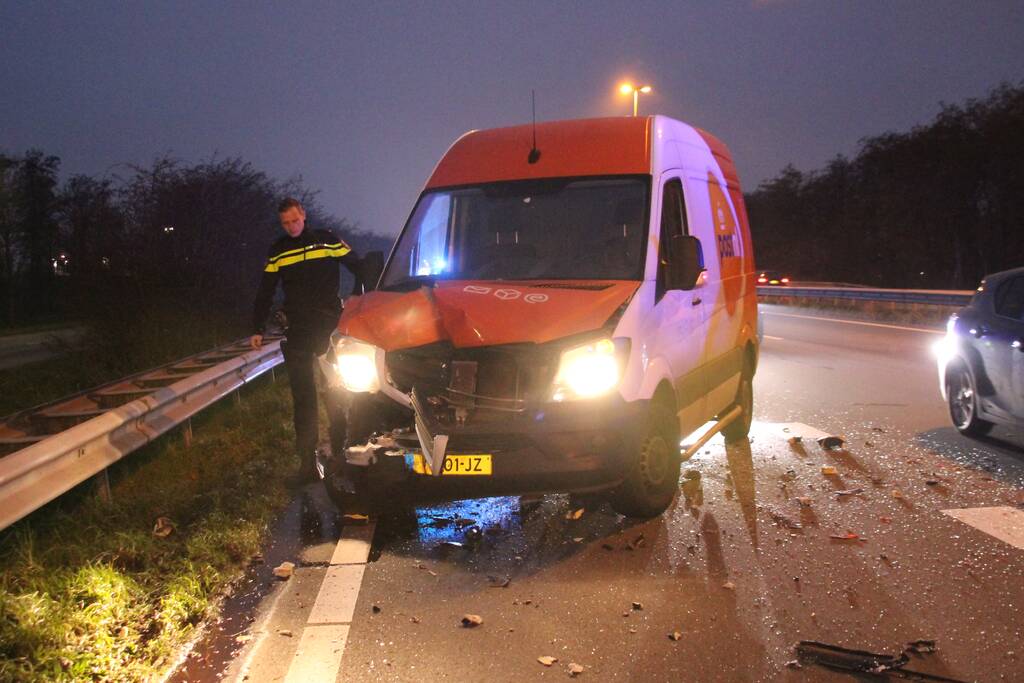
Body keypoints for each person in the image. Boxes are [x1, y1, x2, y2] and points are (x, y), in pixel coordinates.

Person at [251, 197, 362, 482]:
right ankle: (307, 465)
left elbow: (360, 267)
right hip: (298, 331)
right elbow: (265, 289)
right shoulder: (278, 250)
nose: (291, 227)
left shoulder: (326, 240)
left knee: (335, 391)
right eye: (285, 223)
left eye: (295, 220)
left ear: (304, 215)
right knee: (303, 399)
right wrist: (257, 327)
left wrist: (360, 301)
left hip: (327, 329)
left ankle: (340, 454)